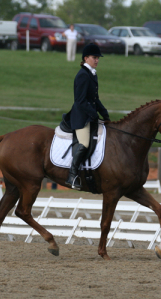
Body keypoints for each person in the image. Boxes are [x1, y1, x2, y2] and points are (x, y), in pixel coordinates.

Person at [63, 43, 110, 190]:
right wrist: (94, 115)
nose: (97, 60)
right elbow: (80, 101)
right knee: (84, 143)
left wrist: (104, 113)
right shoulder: (83, 75)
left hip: (89, 115)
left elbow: (94, 99)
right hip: (81, 118)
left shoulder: (91, 74)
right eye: (94, 57)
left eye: (98, 58)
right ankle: (72, 175)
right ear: (86, 58)